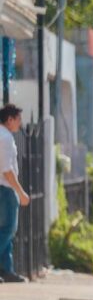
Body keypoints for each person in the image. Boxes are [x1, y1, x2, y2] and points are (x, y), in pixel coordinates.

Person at [0, 104, 29, 283]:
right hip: (5, 189)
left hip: (4, 188)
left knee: (6, 231)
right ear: (10, 119)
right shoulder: (5, 138)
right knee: (8, 229)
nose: (20, 123)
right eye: (18, 119)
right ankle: (6, 269)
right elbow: (7, 170)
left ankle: (6, 269)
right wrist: (20, 192)